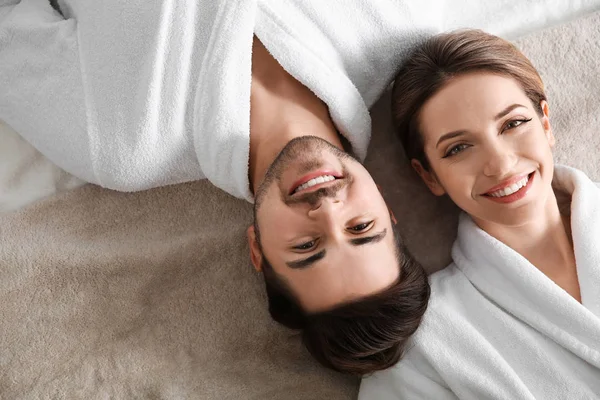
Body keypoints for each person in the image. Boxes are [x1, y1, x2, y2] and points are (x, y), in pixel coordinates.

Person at [1, 0, 596, 375]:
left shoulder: (124, 143)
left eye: (306, 248)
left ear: (257, 250)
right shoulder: (394, 22)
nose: (326, 209)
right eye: (360, 229)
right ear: (389, 210)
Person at [359, 30, 600, 399]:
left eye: (513, 124)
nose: (500, 164)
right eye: (458, 148)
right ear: (428, 175)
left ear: (546, 123)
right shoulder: (426, 347)